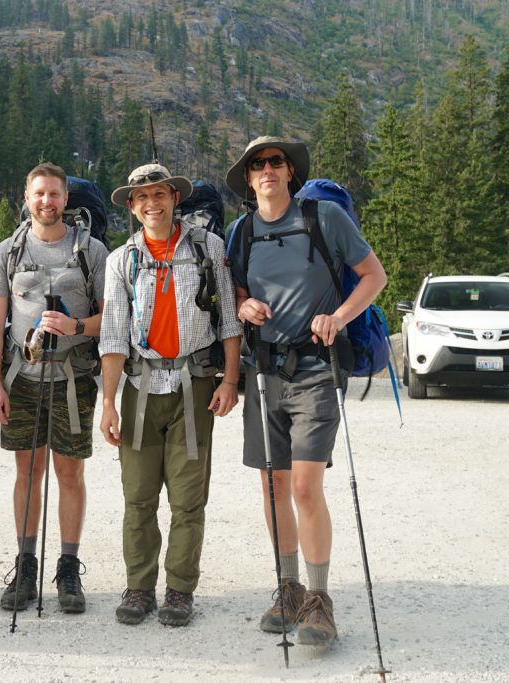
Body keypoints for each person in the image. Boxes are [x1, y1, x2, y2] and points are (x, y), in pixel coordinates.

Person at [225, 137, 387, 645]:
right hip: (264, 373)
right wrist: (243, 306)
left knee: (303, 487)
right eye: (258, 164)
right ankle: (288, 588)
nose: (269, 170)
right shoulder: (242, 231)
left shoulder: (323, 218)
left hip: (317, 370)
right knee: (273, 488)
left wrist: (339, 317)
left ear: (291, 172)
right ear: (249, 179)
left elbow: (373, 276)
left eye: (277, 162)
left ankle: (319, 601)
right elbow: (236, 290)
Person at [98, 164, 242, 626]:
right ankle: (139, 587)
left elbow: (231, 323)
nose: (151, 204)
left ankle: (179, 590)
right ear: (132, 206)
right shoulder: (122, 259)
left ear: (175, 198)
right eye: (141, 198)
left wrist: (230, 380)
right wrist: (107, 404)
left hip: (194, 386)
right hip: (139, 388)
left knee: (187, 499)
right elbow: (114, 336)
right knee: (138, 497)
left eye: (159, 194)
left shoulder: (208, 248)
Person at [0, 162, 108, 614]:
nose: (47, 202)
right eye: (39, 194)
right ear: (27, 196)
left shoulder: (91, 252)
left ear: (65, 200)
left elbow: (109, 319)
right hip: (24, 379)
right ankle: (26, 564)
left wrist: (75, 324)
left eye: (54, 194)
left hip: (73, 378)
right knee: (28, 473)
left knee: (70, 475)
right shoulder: (8, 251)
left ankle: (69, 569)